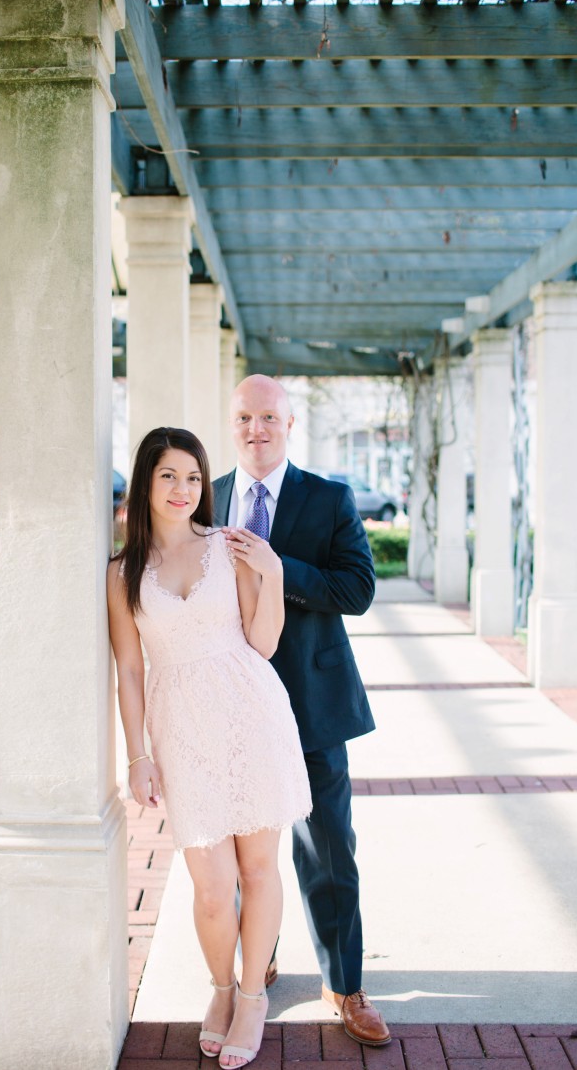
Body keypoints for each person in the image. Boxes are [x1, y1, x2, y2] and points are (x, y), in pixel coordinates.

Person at [107, 427, 311, 1069]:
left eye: (193, 477)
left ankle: (253, 996)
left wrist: (272, 572)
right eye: (168, 475)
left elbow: (266, 643)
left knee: (258, 869)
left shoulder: (228, 548)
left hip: (252, 712)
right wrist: (137, 756)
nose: (183, 489)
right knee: (213, 887)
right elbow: (131, 670)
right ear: (146, 482)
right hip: (181, 729)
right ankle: (221, 986)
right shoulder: (122, 573)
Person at [213, 375, 391, 1047]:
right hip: (230, 703)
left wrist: (278, 566)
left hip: (311, 702)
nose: (256, 429)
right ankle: (256, 958)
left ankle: (344, 982)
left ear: (289, 424)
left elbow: (358, 587)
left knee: (327, 846)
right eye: (244, 417)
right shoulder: (207, 495)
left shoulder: (329, 497)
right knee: (241, 847)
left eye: (268, 417)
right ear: (232, 424)